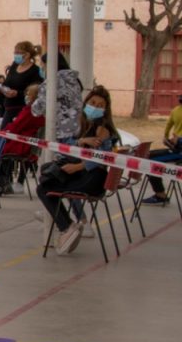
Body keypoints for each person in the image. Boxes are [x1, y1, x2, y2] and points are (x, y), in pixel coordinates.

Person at [35, 86, 119, 255]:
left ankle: (66, 226)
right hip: (81, 174)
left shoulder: (104, 130)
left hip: (93, 179)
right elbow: (63, 147)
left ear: (105, 109)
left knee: (45, 188)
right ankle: (67, 225)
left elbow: (102, 158)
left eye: (100, 105)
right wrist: (81, 142)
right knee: (46, 181)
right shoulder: (78, 125)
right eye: (93, 102)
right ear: (86, 102)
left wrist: (78, 167)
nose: (95, 107)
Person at [0, 83, 44, 194]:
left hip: (20, 145)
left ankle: (2, 183)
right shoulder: (40, 111)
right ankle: (4, 182)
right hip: (26, 144)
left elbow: (16, 127)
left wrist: (4, 132)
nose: (26, 96)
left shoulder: (29, 111)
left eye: (28, 94)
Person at [140, 93, 182, 205]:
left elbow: (168, 126)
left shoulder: (176, 110)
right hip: (176, 147)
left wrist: (168, 137)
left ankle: (160, 195)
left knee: (151, 163)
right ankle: (160, 193)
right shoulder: (176, 110)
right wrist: (168, 139)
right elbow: (168, 125)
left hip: (179, 151)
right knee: (147, 156)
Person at [0, 41, 42, 129]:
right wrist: (4, 90)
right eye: (15, 53)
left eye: (18, 53)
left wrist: (17, 93)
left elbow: (34, 92)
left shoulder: (35, 70)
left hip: (22, 109)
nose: (15, 55)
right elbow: (6, 82)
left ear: (27, 55)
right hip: (8, 107)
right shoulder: (14, 66)